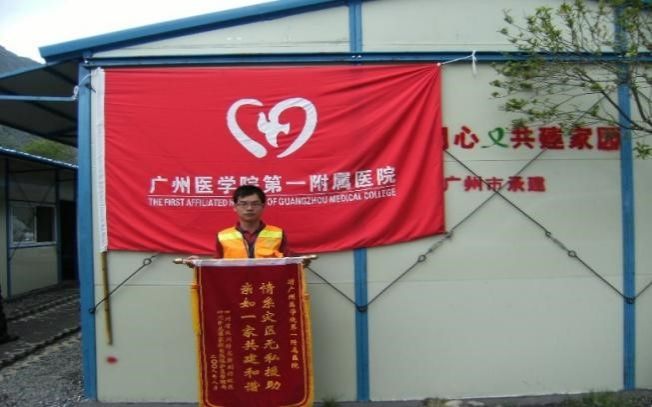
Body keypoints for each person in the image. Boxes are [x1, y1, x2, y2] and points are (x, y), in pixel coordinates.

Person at [216, 185, 289, 259]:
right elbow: (216, 264)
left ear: (263, 206)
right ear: (235, 207)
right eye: (243, 204)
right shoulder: (223, 236)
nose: (249, 208)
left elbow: (288, 263)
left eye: (255, 204)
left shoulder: (278, 234)